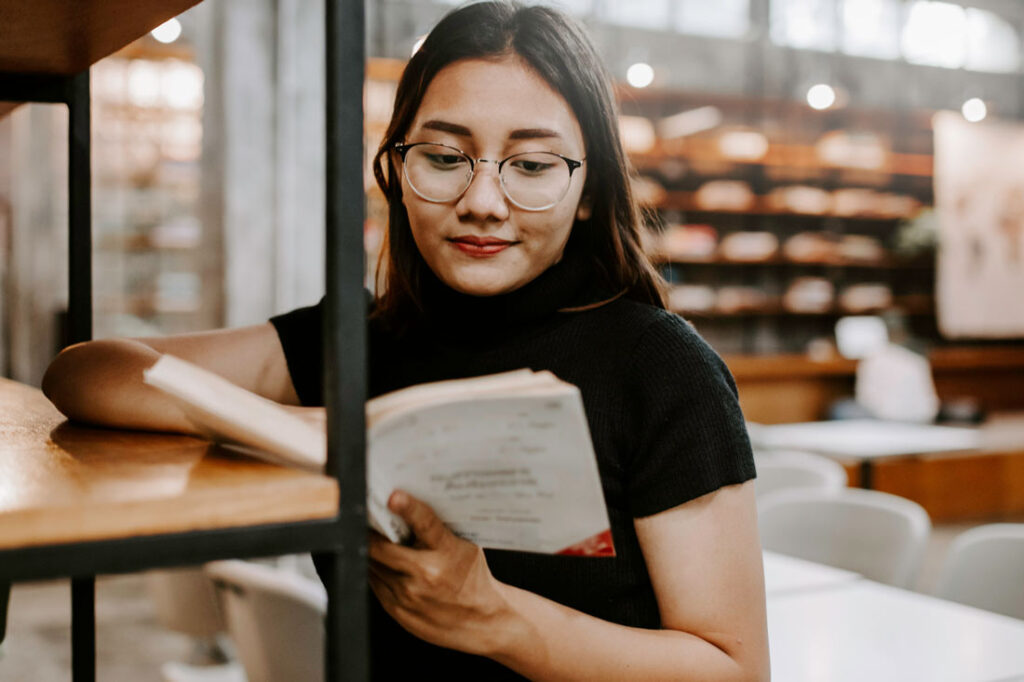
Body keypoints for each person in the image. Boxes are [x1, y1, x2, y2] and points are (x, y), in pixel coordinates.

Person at [42, 2, 769, 679]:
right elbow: (86, 374)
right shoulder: (355, 341)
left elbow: (735, 667)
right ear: (395, 170)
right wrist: (335, 434)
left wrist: (498, 620)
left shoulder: (661, 368)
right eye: (445, 158)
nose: (482, 203)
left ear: (588, 193)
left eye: (534, 166)